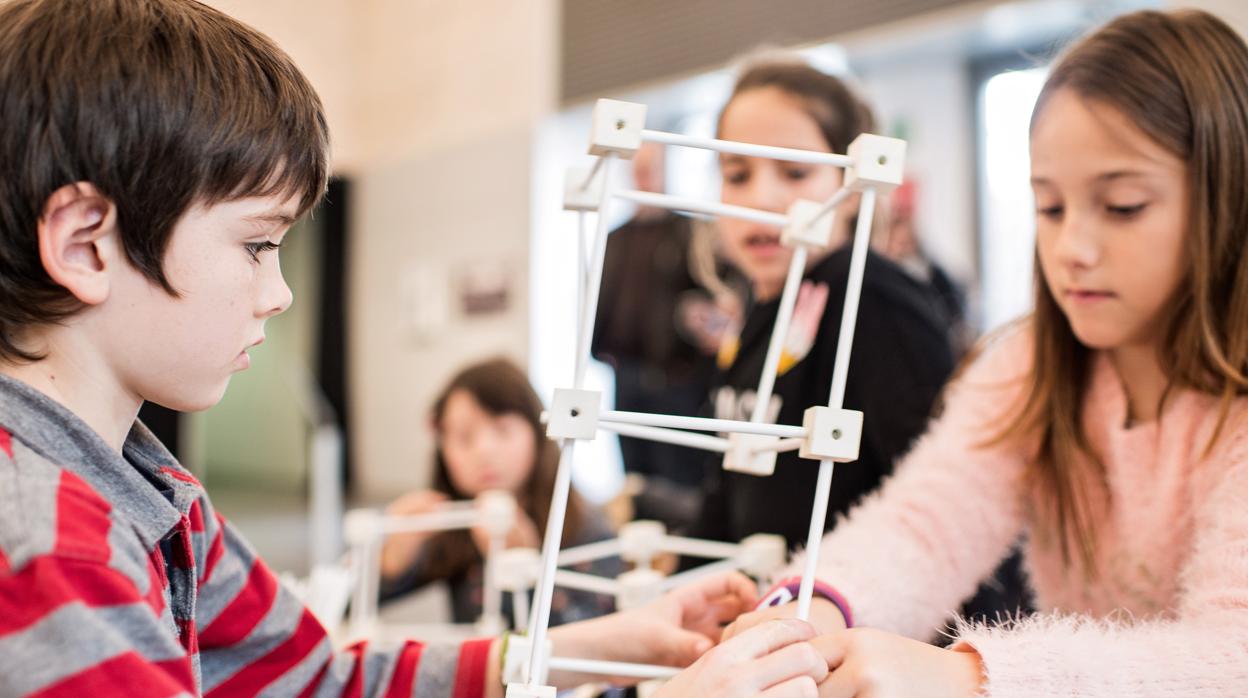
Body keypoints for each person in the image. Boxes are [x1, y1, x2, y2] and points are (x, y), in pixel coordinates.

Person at [0, 1, 834, 696]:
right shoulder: (49, 550)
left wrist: (607, 644)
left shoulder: (147, 484)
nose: (279, 291)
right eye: (257, 245)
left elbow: (316, 674)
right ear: (86, 244)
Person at [726, 9, 1248, 695]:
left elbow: (1232, 652)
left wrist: (972, 674)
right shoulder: (1028, 366)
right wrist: (811, 614)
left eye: (1122, 207)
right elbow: (927, 524)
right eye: (1051, 208)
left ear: (1228, 196)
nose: (1072, 250)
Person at [693, 58, 957, 550]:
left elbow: (947, 506)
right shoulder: (758, 313)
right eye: (737, 173)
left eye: (795, 172)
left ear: (853, 188)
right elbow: (724, 500)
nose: (762, 199)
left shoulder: (876, 300)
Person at [378, 358, 619, 627]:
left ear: (538, 434)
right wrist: (394, 558)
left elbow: (595, 635)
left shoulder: (585, 525)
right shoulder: (452, 528)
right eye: (464, 437)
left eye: (503, 431)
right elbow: (336, 611)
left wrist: (526, 572)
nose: (484, 451)